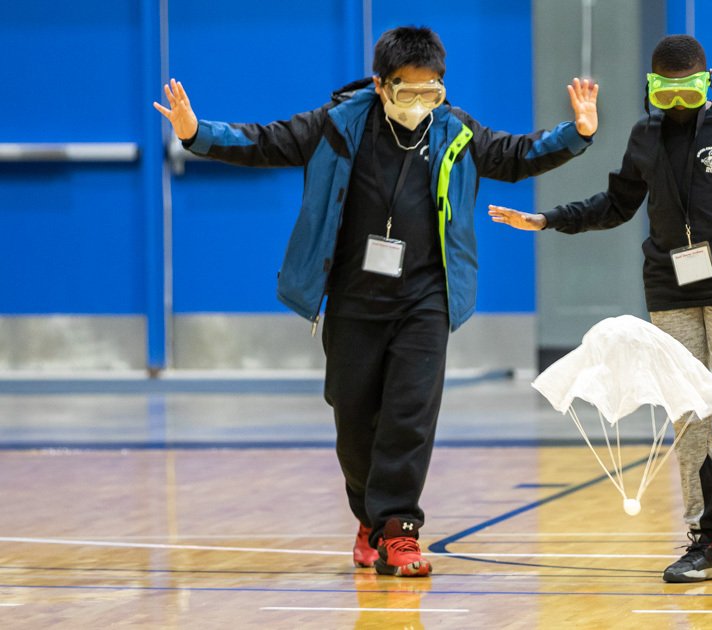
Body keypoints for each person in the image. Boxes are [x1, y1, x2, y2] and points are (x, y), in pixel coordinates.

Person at [153, 26, 599, 577]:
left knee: (410, 415)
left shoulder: (455, 130)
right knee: (354, 417)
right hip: (352, 299)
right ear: (380, 84)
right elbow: (266, 141)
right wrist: (196, 133)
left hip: (425, 298)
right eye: (406, 92)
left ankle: (400, 530)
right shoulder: (337, 125)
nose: (419, 103)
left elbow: (514, 155)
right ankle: (370, 516)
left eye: (430, 91)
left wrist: (576, 133)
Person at [488, 34, 712, 586]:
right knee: (686, 413)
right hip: (671, 288)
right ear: (652, 91)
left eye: (689, 93)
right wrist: (548, 220)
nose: (679, 106)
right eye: (668, 95)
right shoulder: (644, 136)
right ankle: (705, 543)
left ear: (706, 83)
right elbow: (615, 204)